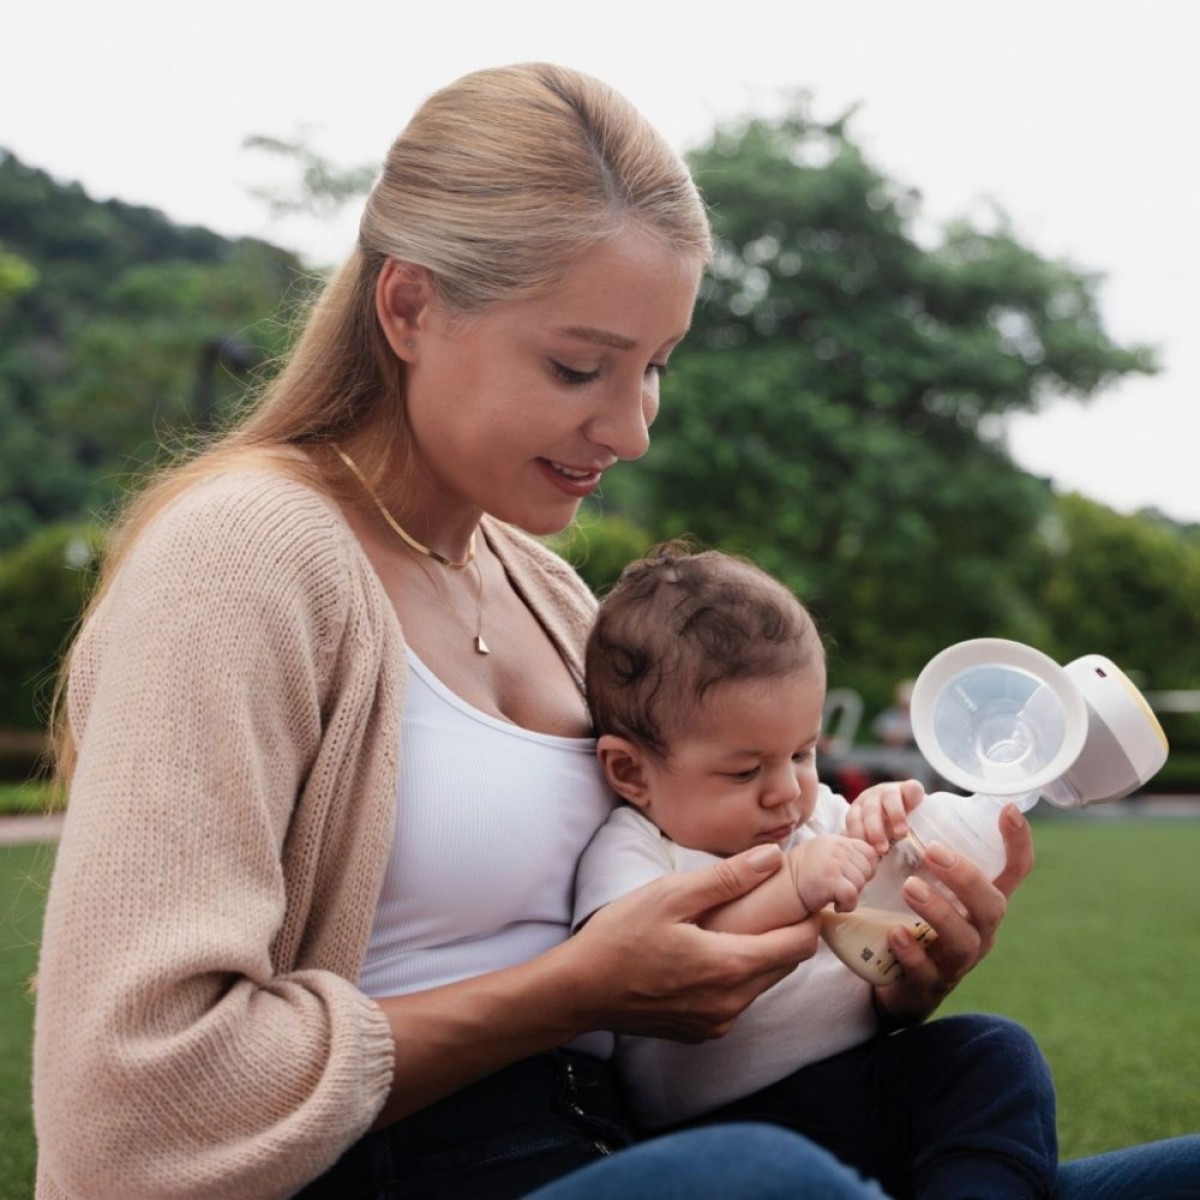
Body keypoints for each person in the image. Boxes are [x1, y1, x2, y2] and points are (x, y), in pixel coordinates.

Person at [30, 62, 1198, 1200]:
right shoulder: (244, 556)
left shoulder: (552, 595)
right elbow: (136, 1105)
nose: (632, 428)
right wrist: (567, 991)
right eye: (581, 365)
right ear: (410, 306)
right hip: (401, 1166)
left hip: (621, 1148)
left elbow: (689, 952)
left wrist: (881, 964)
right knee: (761, 1180)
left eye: (657, 368)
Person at [575, 543, 1056, 1197]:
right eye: (746, 770)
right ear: (632, 771)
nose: (788, 792)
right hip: (725, 1130)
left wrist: (896, 826)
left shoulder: (814, 817)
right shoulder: (633, 850)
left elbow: (884, 897)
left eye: (802, 754)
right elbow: (640, 960)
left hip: (865, 1078)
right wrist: (794, 884)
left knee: (994, 1051)